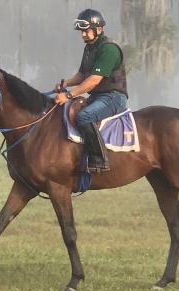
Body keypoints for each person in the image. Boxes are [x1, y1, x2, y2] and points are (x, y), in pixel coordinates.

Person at [54, 9, 128, 173]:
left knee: (84, 116)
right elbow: (81, 75)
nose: (83, 35)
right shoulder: (89, 48)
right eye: (81, 32)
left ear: (98, 29)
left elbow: (94, 80)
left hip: (114, 97)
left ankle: (99, 159)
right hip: (97, 97)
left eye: (86, 31)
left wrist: (68, 95)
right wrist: (65, 83)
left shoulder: (109, 49)